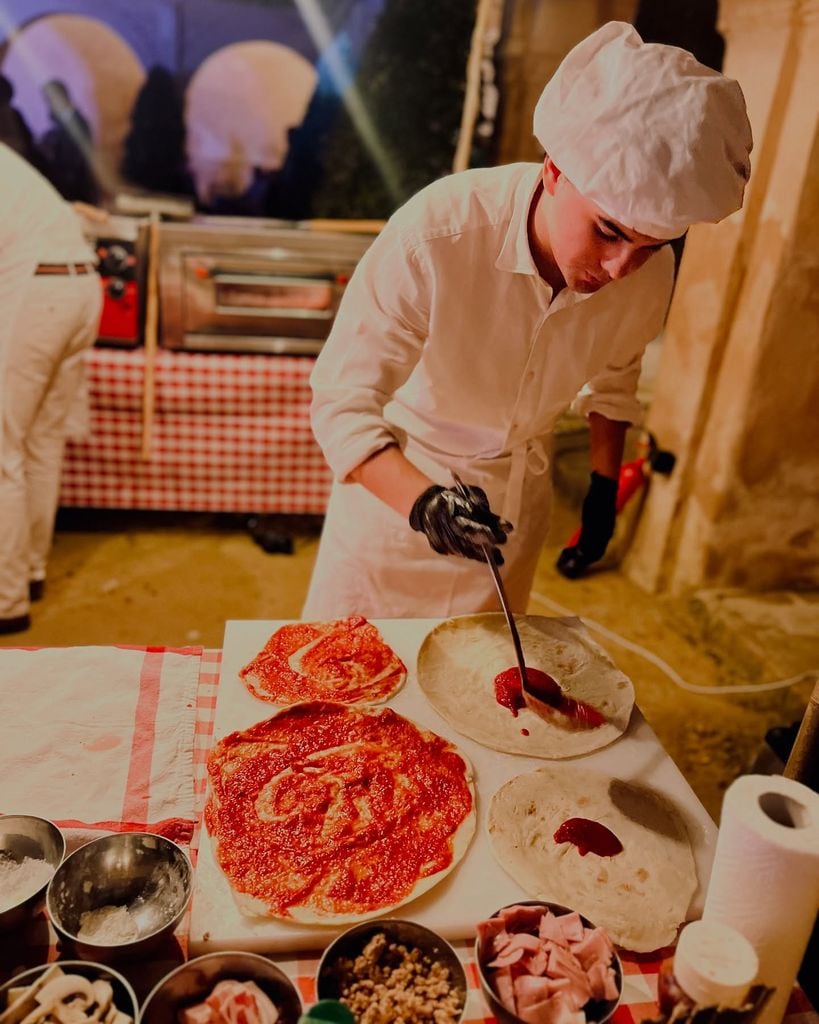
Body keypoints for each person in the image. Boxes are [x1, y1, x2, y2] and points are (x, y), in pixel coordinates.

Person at [303, 22, 752, 619]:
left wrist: (600, 490)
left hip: (515, 508)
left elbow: (614, 382)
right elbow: (341, 402)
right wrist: (425, 505)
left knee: (482, 697)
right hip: (398, 502)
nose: (623, 267)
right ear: (554, 171)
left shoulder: (648, 271)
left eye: (650, 245)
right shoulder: (438, 234)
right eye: (609, 232)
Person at [0, 143, 102, 634]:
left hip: (38, 291)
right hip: (82, 286)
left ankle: (6, 599)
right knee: (40, 442)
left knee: (3, 453)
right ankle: (31, 572)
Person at [38, 79, 99, 205]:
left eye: (50, 99)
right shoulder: (62, 125)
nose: (49, 104)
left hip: (80, 189)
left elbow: (77, 161)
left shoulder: (77, 124)